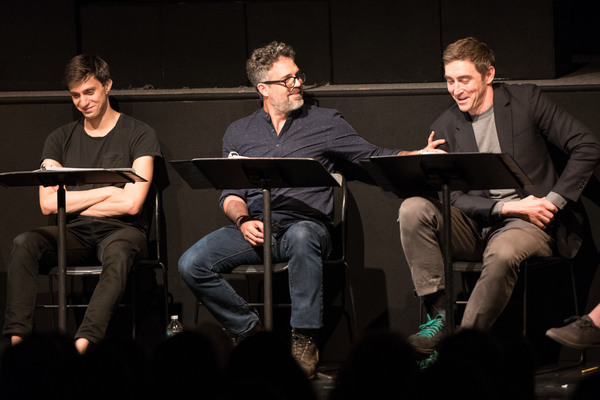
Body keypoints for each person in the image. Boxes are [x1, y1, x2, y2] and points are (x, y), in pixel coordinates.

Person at [178, 41, 444, 379]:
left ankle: (304, 339)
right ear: (263, 88)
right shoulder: (239, 132)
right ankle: (250, 334)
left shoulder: (325, 122)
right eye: (287, 79)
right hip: (257, 228)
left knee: (303, 234)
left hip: (307, 228)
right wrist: (242, 220)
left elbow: (373, 153)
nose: (297, 83)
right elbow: (231, 193)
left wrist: (418, 155)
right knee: (191, 263)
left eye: (298, 76)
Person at [398, 37, 600, 355]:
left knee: (504, 249)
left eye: (464, 80)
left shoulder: (525, 100)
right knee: (412, 209)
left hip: (533, 222)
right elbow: (452, 198)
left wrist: (554, 200)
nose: (456, 89)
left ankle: (460, 347)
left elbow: (586, 145)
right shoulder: (447, 125)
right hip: (480, 223)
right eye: (450, 81)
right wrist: (502, 207)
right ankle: (439, 317)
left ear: (488, 74)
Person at [2, 54, 161, 354]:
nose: (82, 101)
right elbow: (49, 203)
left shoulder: (140, 134)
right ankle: (16, 348)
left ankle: (83, 345)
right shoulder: (59, 139)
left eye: (89, 92)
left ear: (107, 85)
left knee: (118, 252)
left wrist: (74, 200)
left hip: (122, 231)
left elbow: (132, 204)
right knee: (24, 243)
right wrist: (110, 191)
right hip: (73, 231)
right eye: (75, 95)